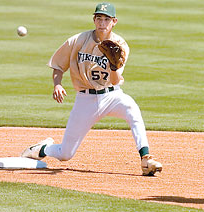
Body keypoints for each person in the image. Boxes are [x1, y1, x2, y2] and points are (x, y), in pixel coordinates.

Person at [21, 2, 162, 176]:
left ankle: (145, 158)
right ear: (94, 20)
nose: (102, 23)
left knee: (132, 109)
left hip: (112, 96)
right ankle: (41, 149)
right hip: (85, 99)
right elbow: (58, 65)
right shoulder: (78, 41)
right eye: (99, 18)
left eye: (106, 19)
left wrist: (113, 66)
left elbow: (115, 80)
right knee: (65, 154)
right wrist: (57, 84)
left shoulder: (120, 45)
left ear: (114, 21)